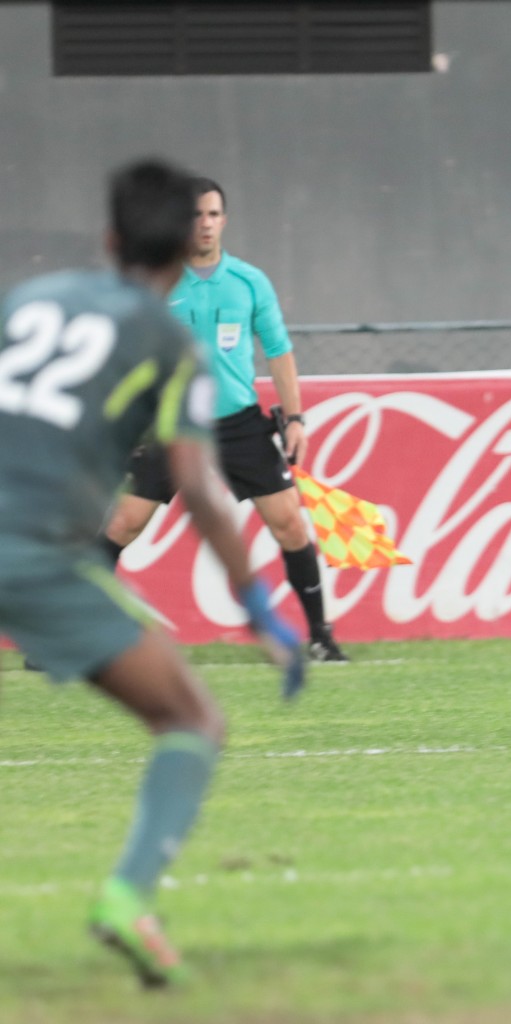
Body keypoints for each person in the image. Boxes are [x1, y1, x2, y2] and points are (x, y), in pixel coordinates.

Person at [0, 159, 304, 987]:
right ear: (183, 250)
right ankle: (128, 898)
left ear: (108, 238)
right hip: (30, 555)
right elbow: (201, 488)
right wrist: (258, 608)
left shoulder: (31, 301)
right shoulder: (167, 340)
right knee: (192, 720)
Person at [99, 178, 347, 662]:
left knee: (291, 526)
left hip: (238, 424)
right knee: (123, 524)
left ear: (224, 220)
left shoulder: (250, 282)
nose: (205, 224)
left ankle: (321, 636)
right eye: (195, 216)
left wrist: (295, 418)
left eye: (213, 214)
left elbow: (278, 352)